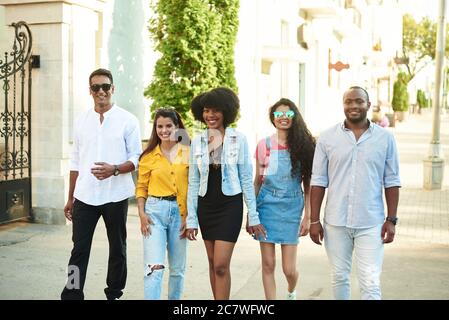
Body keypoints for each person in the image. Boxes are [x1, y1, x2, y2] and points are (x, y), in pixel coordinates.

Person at [309, 86, 401, 300]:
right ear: (343, 105)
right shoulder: (327, 138)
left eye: (359, 101)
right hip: (336, 222)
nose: (353, 105)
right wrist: (314, 220)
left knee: (370, 280)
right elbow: (319, 180)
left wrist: (392, 219)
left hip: (371, 222)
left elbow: (392, 181)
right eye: (349, 101)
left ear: (368, 105)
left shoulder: (385, 139)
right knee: (339, 277)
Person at [61, 68, 142, 300]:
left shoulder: (128, 120)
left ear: (112, 89)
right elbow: (75, 161)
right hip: (85, 196)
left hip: (115, 195)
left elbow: (136, 158)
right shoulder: (80, 121)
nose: (101, 91)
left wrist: (114, 169)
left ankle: (114, 292)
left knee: (117, 247)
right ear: (90, 91)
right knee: (79, 250)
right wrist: (70, 197)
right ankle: (72, 293)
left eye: (105, 87)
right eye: (96, 87)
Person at [185, 87, 266, 300]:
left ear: (226, 112)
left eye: (215, 110)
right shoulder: (197, 140)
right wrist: (191, 219)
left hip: (229, 206)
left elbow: (247, 179)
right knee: (212, 264)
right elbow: (193, 181)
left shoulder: (238, 139)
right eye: (206, 110)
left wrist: (253, 215)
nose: (210, 115)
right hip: (206, 206)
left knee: (221, 265)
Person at [251, 98, 315, 300]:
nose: (283, 118)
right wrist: (251, 215)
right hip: (266, 206)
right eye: (279, 115)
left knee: (289, 269)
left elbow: (308, 186)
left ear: (294, 117)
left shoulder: (304, 146)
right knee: (268, 264)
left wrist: (308, 217)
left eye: (288, 114)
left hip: (292, 207)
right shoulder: (264, 145)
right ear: (273, 118)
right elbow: (257, 182)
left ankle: (291, 290)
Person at [135, 107, 190, 300]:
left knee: (177, 270)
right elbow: (141, 188)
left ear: (177, 127)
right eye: (160, 126)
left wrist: (190, 218)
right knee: (154, 269)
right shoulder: (148, 156)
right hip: (154, 213)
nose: (164, 130)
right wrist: (142, 214)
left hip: (180, 214)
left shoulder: (187, 152)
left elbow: (194, 186)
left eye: (169, 126)